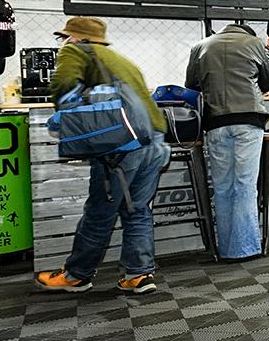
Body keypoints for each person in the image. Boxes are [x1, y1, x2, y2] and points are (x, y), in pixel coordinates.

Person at [35, 17, 170, 294]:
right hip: (154, 141)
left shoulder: (75, 51)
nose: (62, 43)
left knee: (99, 211)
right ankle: (138, 275)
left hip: (122, 148)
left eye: (64, 38)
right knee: (137, 209)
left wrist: (64, 119)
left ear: (74, 38)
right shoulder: (122, 60)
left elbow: (62, 86)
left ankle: (76, 275)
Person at [186, 23, 269, 260]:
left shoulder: (200, 47)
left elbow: (191, 84)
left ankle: (226, 249)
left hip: (215, 121)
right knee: (245, 184)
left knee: (223, 186)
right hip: (248, 119)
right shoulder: (256, 44)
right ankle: (246, 249)